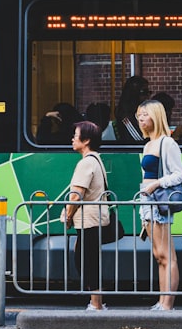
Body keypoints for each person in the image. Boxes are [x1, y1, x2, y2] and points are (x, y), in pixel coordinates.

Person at [135, 99, 182, 310]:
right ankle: (162, 300)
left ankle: (167, 303)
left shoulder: (168, 143)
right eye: (139, 115)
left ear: (156, 115)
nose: (140, 118)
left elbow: (179, 175)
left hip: (158, 201)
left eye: (145, 114)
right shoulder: (148, 144)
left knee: (167, 255)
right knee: (158, 255)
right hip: (147, 201)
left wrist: (156, 184)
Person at [63, 120, 110, 311]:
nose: (73, 139)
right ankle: (96, 302)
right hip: (93, 219)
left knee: (87, 261)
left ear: (87, 140)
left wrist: (67, 215)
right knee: (87, 259)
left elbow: (76, 195)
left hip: (89, 220)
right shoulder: (96, 159)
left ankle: (96, 304)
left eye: (76, 135)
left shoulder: (86, 163)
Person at [113, 76, 150, 142]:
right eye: (144, 92)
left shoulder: (137, 115)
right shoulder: (126, 118)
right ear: (134, 94)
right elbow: (139, 141)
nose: (148, 96)